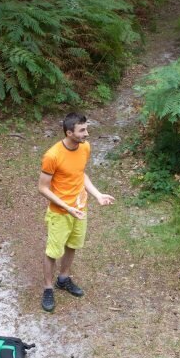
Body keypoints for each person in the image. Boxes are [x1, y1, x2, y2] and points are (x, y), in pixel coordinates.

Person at [38, 113, 115, 313]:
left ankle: (63, 279)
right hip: (60, 212)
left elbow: (80, 174)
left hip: (80, 208)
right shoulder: (52, 155)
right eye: (82, 130)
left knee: (73, 245)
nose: (87, 134)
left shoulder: (85, 148)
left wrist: (97, 195)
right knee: (53, 251)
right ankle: (48, 288)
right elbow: (43, 188)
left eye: (86, 129)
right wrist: (66, 206)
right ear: (69, 132)